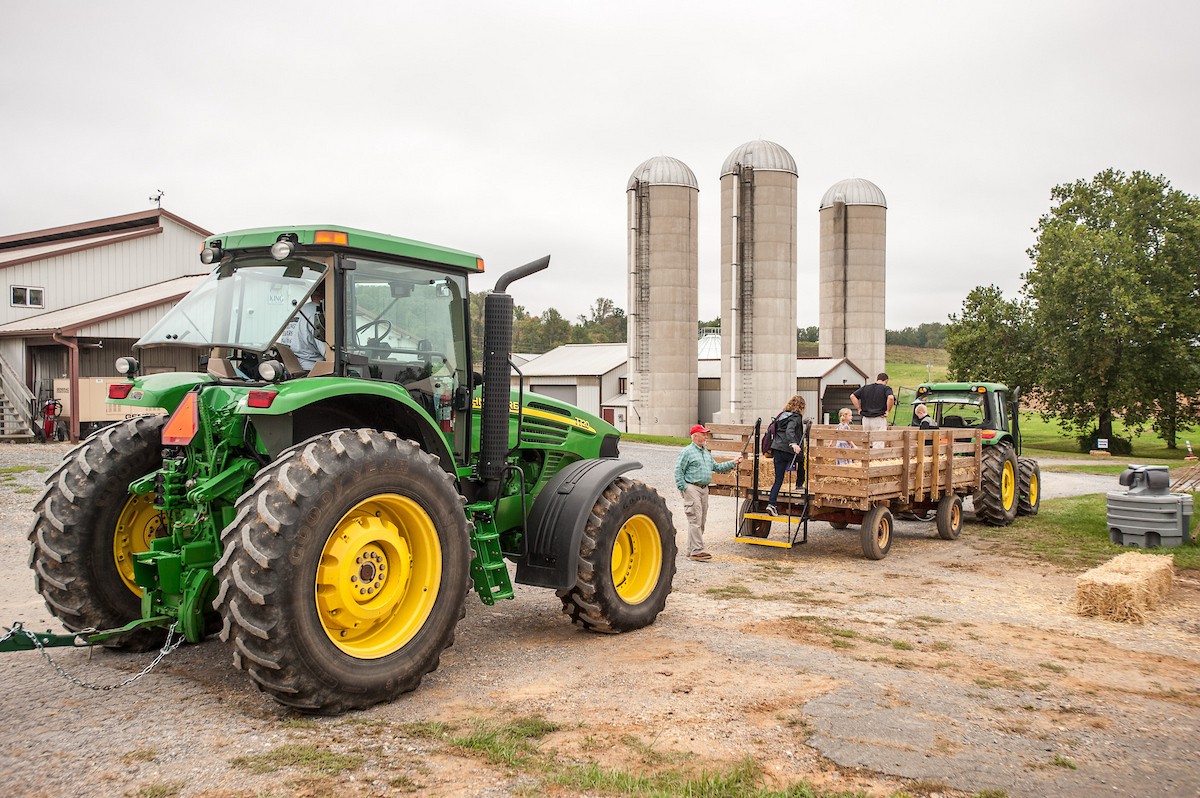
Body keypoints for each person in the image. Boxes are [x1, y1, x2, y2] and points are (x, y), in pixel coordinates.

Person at [674, 424, 744, 561]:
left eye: (706, 434)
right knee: (695, 519)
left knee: (701, 520)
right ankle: (697, 551)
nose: (706, 436)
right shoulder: (687, 452)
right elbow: (678, 470)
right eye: (703, 433)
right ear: (695, 436)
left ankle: (691, 550)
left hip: (704, 489)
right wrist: (683, 487)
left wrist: (733, 463)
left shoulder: (706, 452)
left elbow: (717, 467)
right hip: (692, 487)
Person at [765, 395, 806, 516]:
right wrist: (793, 443)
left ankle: (771, 504)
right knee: (802, 459)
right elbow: (790, 430)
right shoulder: (796, 416)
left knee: (778, 480)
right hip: (788, 449)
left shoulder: (781, 415)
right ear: (801, 406)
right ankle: (799, 484)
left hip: (777, 449)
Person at [278, 280, 327, 370]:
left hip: (290, 366)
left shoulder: (298, 311)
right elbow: (328, 353)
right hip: (311, 370)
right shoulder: (317, 314)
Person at [851, 373, 894, 448]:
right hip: (878, 418)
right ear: (886, 380)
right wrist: (888, 411)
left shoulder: (865, 388)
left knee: (866, 442)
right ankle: (875, 459)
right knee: (878, 442)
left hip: (865, 419)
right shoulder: (886, 388)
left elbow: (852, 396)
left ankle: (865, 459)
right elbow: (890, 398)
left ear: (877, 379)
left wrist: (859, 409)